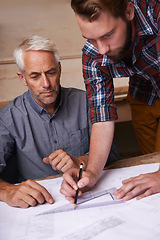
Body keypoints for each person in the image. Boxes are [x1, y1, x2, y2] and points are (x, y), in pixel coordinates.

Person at [0, 35, 118, 208]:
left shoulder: (86, 102)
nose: (46, 84)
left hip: (86, 195)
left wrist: (80, 162)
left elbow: (113, 154)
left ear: (59, 69)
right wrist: (7, 190)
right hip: (36, 205)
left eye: (51, 72)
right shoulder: (8, 117)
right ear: (22, 78)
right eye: (35, 76)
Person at [60, 0, 160, 202]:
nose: (102, 49)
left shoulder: (156, 14)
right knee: (151, 162)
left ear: (129, 11)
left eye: (107, 35)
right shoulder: (93, 54)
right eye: (91, 38)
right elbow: (102, 117)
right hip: (144, 95)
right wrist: (92, 173)